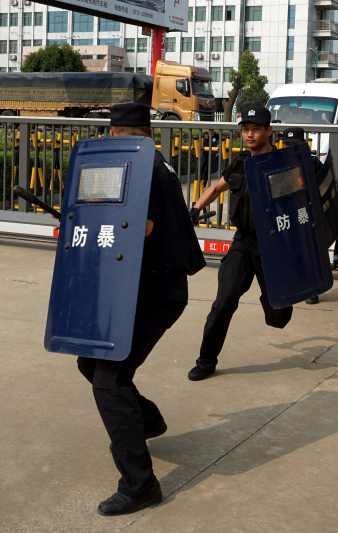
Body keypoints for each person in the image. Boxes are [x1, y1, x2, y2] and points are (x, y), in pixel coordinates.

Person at [76, 103, 206, 516]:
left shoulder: (144, 166)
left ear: (133, 137)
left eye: (119, 139)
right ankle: (146, 421)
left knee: (109, 380)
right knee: (90, 363)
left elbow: (139, 228)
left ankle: (140, 484)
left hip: (157, 288)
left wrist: (89, 229)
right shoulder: (155, 162)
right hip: (143, 284)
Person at [186, 106, 293, 381]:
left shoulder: (282, 164)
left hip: (274, 247)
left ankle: (271, 295)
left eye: (256, 129)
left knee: (279, 318)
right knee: (224, 301)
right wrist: (195, 209)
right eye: (246, 129)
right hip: (244, 242)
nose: (250, 134)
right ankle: (206, 361)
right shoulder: (239, 164)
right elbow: (215, 188)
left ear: (269, 131)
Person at [281, 126, 326, 305]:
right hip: (287, 215)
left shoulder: (313, 163)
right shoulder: (278, 163)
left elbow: (324, 186)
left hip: (308, 214)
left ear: (303, 144)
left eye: (295, 144)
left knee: (310, 251)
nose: (290, 147)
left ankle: (312, 289)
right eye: (287, 144)